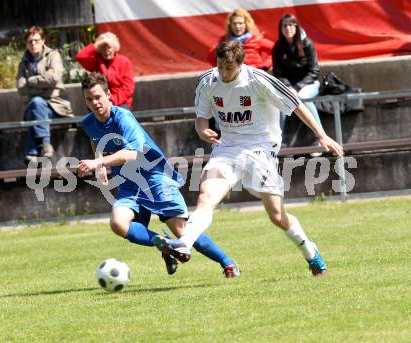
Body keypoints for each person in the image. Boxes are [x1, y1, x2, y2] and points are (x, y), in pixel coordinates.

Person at [153, 40, 344, 276]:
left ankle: (311, 253)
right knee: (206, 196)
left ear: (241, 65)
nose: (223, 73)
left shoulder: (258, 80)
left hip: (260, 149)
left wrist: (322, 135)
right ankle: (184, 244)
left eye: (229, 68)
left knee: (277, 216)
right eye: (220, 66)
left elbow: (295, 104)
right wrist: (202, 129)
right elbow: (201, 117)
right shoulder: (208, 81)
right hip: (228, 147)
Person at [78, 72, 239, 278]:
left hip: (154, 177)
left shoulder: (123, 118)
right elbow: (96, 139)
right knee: (118, 224)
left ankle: (228, 263)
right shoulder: (88, 122)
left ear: (108, 94)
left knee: (182, 232)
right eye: (89, 99)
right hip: (129, 183)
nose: (95, 103)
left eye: (98, 97)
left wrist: (98, 162)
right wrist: (99, 163)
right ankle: (166, 247)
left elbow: (133, 152)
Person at [17, 26, 74, 163]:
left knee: (34, 106)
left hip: (56, 106)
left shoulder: (53, 55)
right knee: (36, 104)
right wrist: (44, 85)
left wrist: (30, 81)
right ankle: (45, 145)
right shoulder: (24, 63)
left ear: (43, 41)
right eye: (30, 41)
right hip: (38, 107)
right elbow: (21, 89)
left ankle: (33, 152)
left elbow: (53, 78)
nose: (33, 44)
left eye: (36, 40)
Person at [272, 14, 323, 147]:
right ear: (280, 29)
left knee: (302, 98)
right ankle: (280, 141)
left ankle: (319, 138)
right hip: (288, 87)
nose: (288, 28)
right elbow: (277, 73)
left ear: (296, 27)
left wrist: (298, 87)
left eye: (291, 25)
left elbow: (314, 71)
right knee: (281, 101)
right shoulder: (278, 47)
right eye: (284, 25)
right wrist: (288, 87)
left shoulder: (308, 44)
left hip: (309, 84)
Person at [76, 32, 135, 109]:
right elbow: (80, 57)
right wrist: (96, 45)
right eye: (103, 48)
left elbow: (128, 88)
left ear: (114, 48)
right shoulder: (96, 61)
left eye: (109, 47)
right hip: (99, 101)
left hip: (120, 102)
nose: (106, 50)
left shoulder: (124, 62)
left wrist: (111, 101)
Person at [207, 8, 273, 71]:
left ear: (246, 24)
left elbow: (276, 49)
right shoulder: (224, 41)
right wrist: (223, 69)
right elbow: (211, 58)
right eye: (234, 23)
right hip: (233, 78)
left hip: (254, 77)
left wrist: (265, 66)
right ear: (230, 25)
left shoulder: (256, 39)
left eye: (240, 23)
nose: (237, 26)